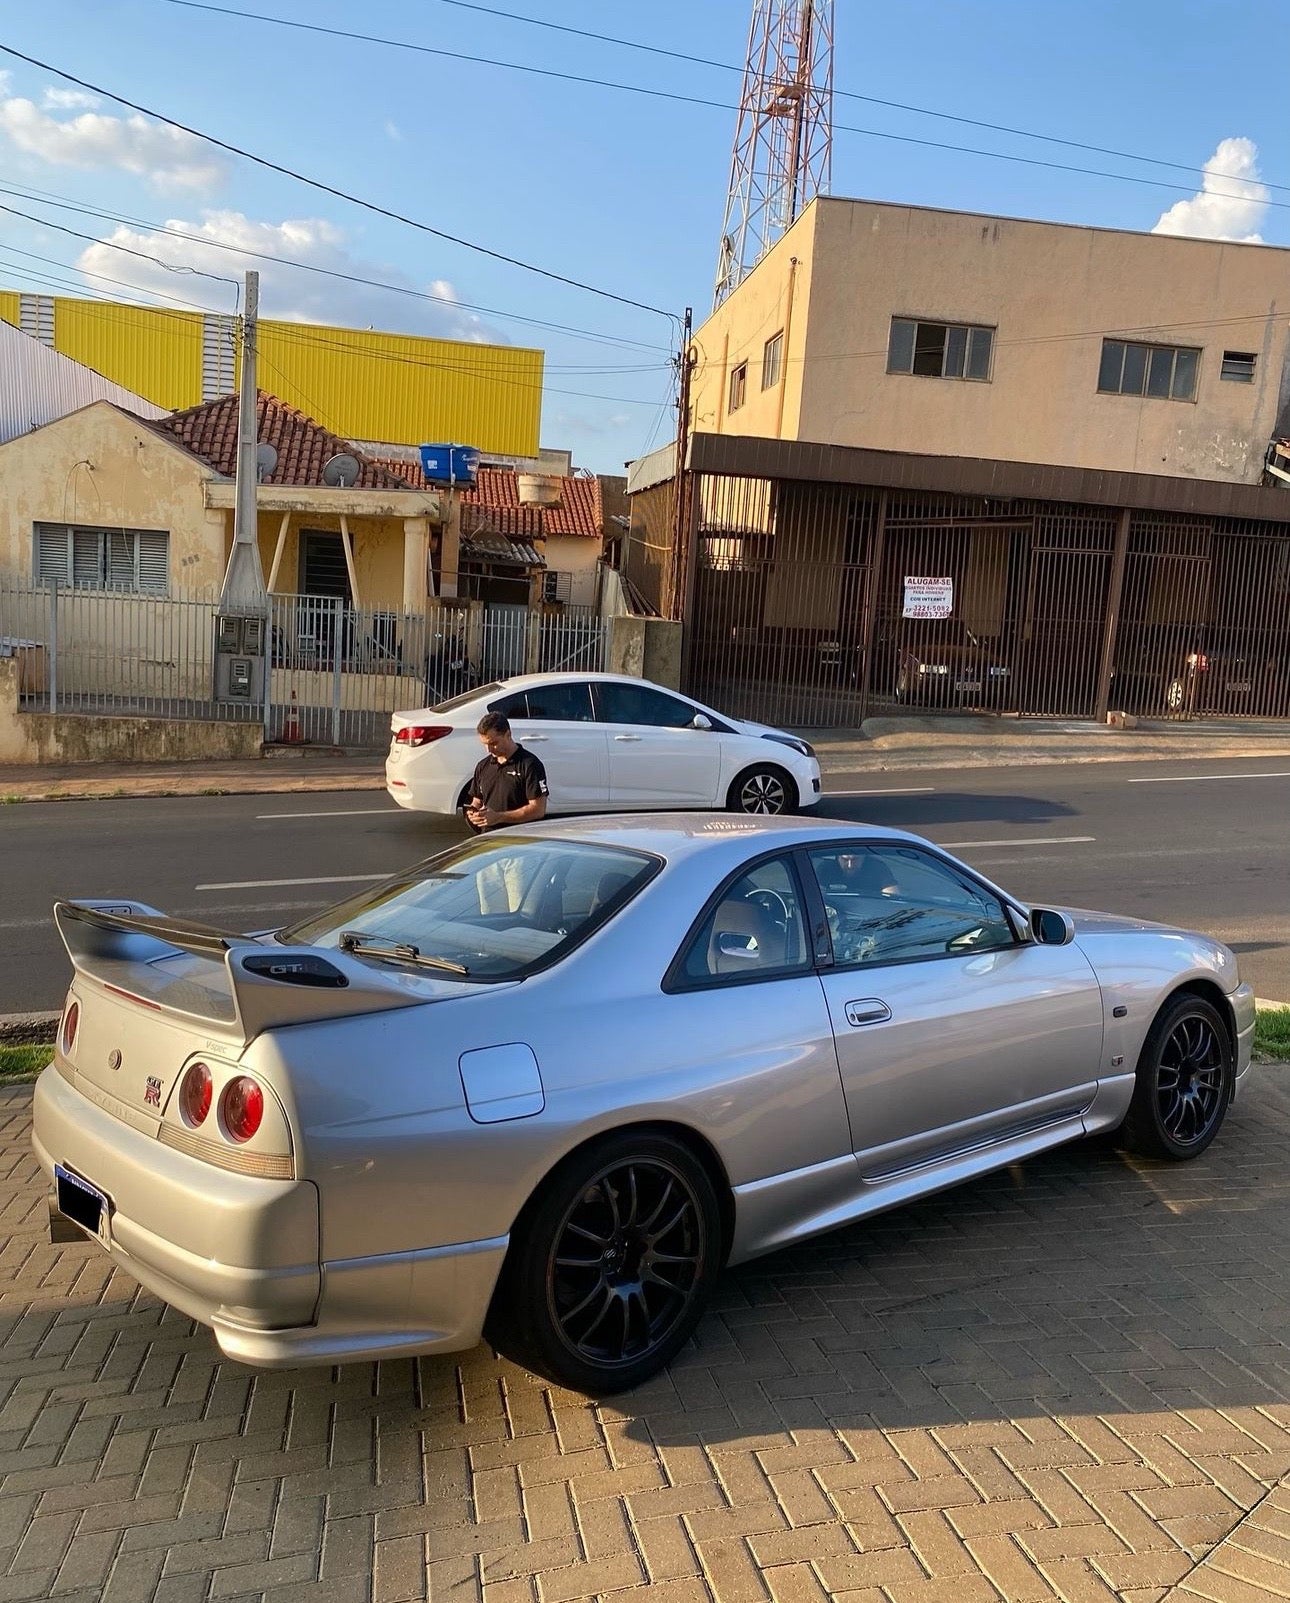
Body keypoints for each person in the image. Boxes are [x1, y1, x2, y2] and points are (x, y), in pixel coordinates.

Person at [465, 711, 549, 833]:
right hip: (489, 838)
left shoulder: (529, 764)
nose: (488, 750)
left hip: (520, 838)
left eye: (493, 743)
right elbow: (477, 801)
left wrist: (499, 817)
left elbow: (538, 810)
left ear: (508, 734)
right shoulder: (483, 766)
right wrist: (473, 813)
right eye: (485, 744)